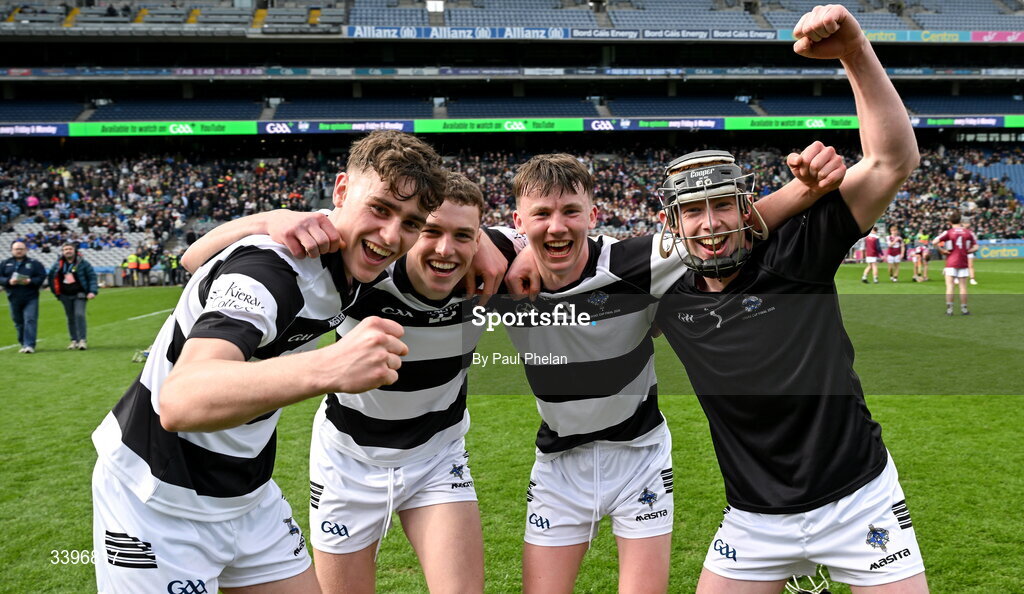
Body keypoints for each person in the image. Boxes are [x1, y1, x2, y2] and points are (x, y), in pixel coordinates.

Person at [90, 130, 447, 593]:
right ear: (341, 190)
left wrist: (263, 218)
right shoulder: (271, 270)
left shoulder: (344, 246)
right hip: (157, 498)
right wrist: (330, 368)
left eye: (412, 223)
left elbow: (191, 258)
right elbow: (181, 400)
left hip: (248, 496)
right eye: (379, 208)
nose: (390, 235)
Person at [653, 6, 927, 592]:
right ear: (669, 223)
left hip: (860, 500)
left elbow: (892, 161)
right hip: (753, 519)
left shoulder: (797, 251)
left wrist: (854, 49)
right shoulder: (664, 293)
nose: (709, 223)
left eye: (722, 205)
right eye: (693, 210)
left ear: (744, 208)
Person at [501, 145, 842, 593]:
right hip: (558, 464)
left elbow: (725, 229)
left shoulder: (637, 263)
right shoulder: (493, 269)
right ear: (518, 222)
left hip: (640, 455)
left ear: (594, 214)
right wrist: (514, 250)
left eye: (571, 211)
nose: (558, 225)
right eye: (541, 214)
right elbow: (445, 237)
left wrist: (802, 190)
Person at [179, 171, 515, 594]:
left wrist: (489, 244)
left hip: (437, 455)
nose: (446, 250)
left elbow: (547, 236)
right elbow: (194, 260)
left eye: (464, 236)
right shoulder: (368, 263)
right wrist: (268, 219)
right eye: (429, 231)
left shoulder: (488, 266)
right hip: (348, 460)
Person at [49, 242, 98, 350]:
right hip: (65, 295)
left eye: (70, 249)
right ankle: (74, 340)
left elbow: (92, 277)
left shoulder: (83, 263)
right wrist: (56, 293)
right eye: (65, 249)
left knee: (79, 315)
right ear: (62, 252)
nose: (68, 251)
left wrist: (92, 291)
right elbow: (51, 278)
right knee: (70, 318)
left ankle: (82, 340)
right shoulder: (58, 264)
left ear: (74, 250)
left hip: (80, 294)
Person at [1, 240, 47, 353]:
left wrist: (30, 281)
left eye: (21, 249)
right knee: (18, 321)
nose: (19, 251)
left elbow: (42, 276)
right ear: (12, 250)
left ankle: (29, 345)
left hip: (30, 297)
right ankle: (23, 343)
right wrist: (8, 281)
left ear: (26, 250)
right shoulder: (5, 263)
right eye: (16, 249)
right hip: (13, 297)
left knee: (30, 319)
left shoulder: (34, 263)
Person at [933, 211, 977, 316]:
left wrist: (941, 250)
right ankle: (964, 309)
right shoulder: (968, 232)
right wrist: (968, 251)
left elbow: (934, 242)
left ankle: (949, 310)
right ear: (960, 221)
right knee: (963, 287)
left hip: (951, 261)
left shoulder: (948, 232)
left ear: (949, 222)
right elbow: (976, 247)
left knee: (950, 286)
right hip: (963, 261)